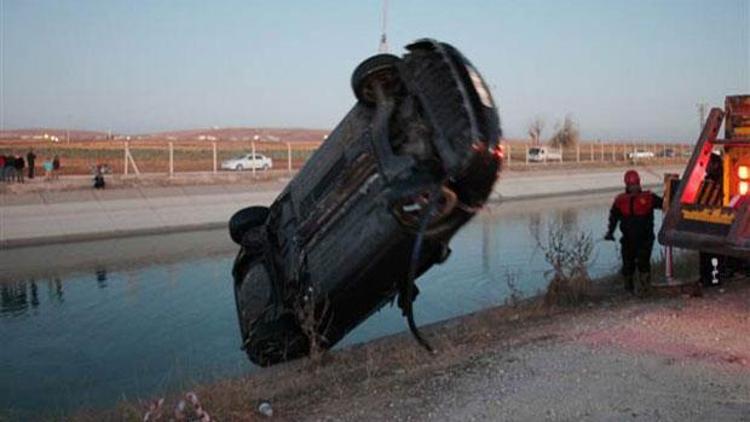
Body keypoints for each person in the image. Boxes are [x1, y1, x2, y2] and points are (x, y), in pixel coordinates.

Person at [605, 169, 663, 294]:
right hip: (627, 239)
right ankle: (628, 290)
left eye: (635, 184)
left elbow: (664, 204)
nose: (634, 187)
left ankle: (645, 289)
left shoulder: (649, 197)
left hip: (645, 238)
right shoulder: (620, 200)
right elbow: (613, 217)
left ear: (639, 183)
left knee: (643, 263)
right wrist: (610, 232)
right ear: (627, 185)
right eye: (631, 185)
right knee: (628, 265)